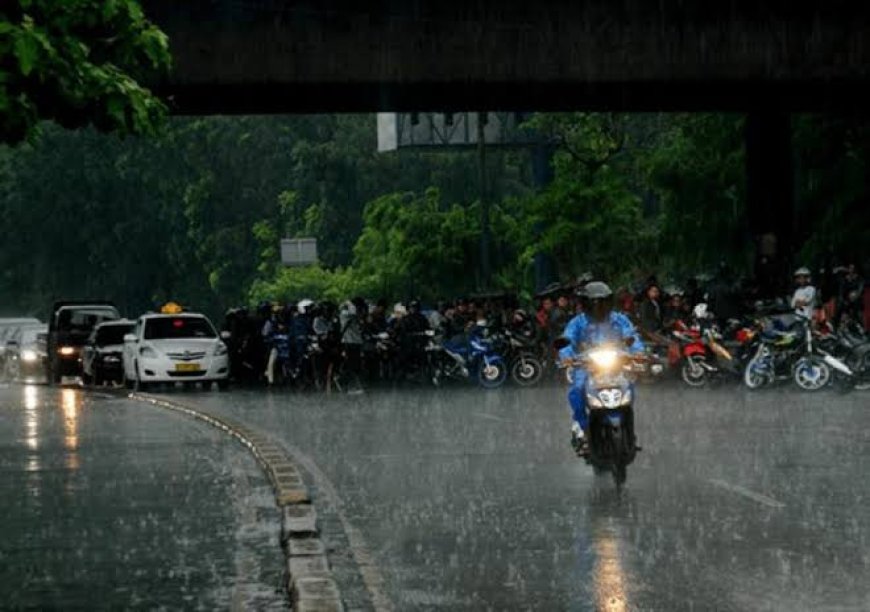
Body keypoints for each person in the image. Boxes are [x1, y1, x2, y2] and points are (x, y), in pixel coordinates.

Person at [558, 281, 644, 456]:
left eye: (603, 302)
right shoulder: (578, 322)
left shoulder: (619, 319)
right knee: (576, 390)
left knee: (629, 386)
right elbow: (567, 339)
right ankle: (582, 428)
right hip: (586, 365)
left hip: (616, 364)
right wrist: (566, 356)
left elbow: (632, 336)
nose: (599, 307)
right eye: (595, 302)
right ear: (586, 303)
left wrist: (638, 352)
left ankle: (629, 431)